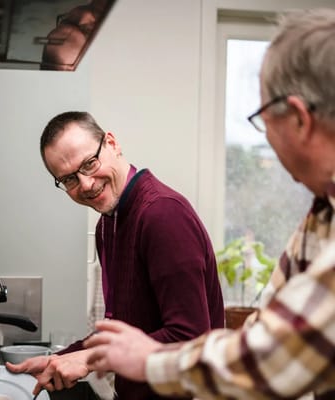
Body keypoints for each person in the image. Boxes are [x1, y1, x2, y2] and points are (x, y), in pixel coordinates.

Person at [84, 8, 335, 400]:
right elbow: (268, 326)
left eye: (262, 118)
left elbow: (275, 356)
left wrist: (151, 360)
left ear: (300, 119)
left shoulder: (161, 212)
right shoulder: (322, 213)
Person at [6, 111, 224, 400]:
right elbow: (127, 332)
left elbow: (191, 338)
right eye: (69, 179)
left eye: (89, 163)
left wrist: (88, 358)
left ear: (111, 142)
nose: (85, 184)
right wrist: (62, 358)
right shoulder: (108, 224)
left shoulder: (163, 215)